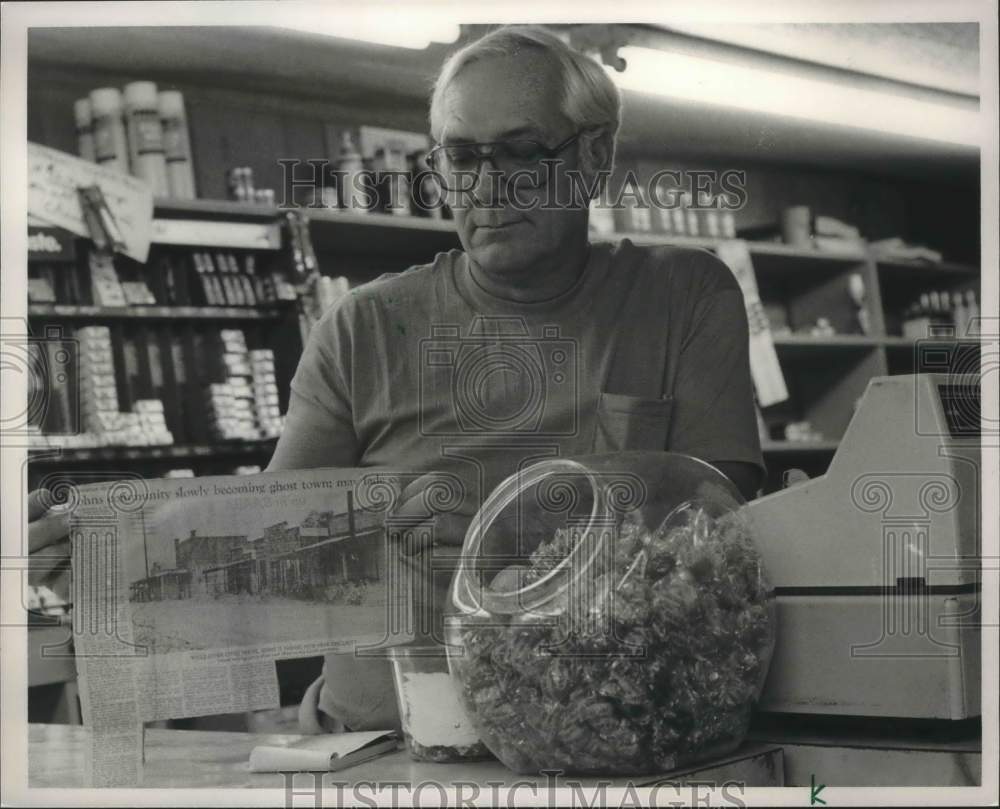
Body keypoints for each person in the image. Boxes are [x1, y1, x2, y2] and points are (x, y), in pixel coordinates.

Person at [29, 25, 764, 734]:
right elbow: (263, 551)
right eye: (462, 156)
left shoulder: (683, 296)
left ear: (595, 155)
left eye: (520, 152)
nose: (486, 186)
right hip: (382, 743)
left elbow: (717, 532)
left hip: (607, 731)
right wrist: (109, 568)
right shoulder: (362, 327)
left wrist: (501, 533)